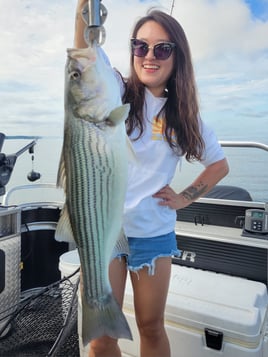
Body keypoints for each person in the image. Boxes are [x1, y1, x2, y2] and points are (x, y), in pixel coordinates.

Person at [74, 2, 229, 357]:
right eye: (140, 46)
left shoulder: (185, 117)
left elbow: (218, 165)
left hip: (154, 235)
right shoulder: (113, 91)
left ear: (177, 57)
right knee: (101, 336)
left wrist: (185, 197)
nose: (149, 56)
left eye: (162, 48)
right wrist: (83, 9)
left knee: (151, 327)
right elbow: (83, 58)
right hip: (104, 232)